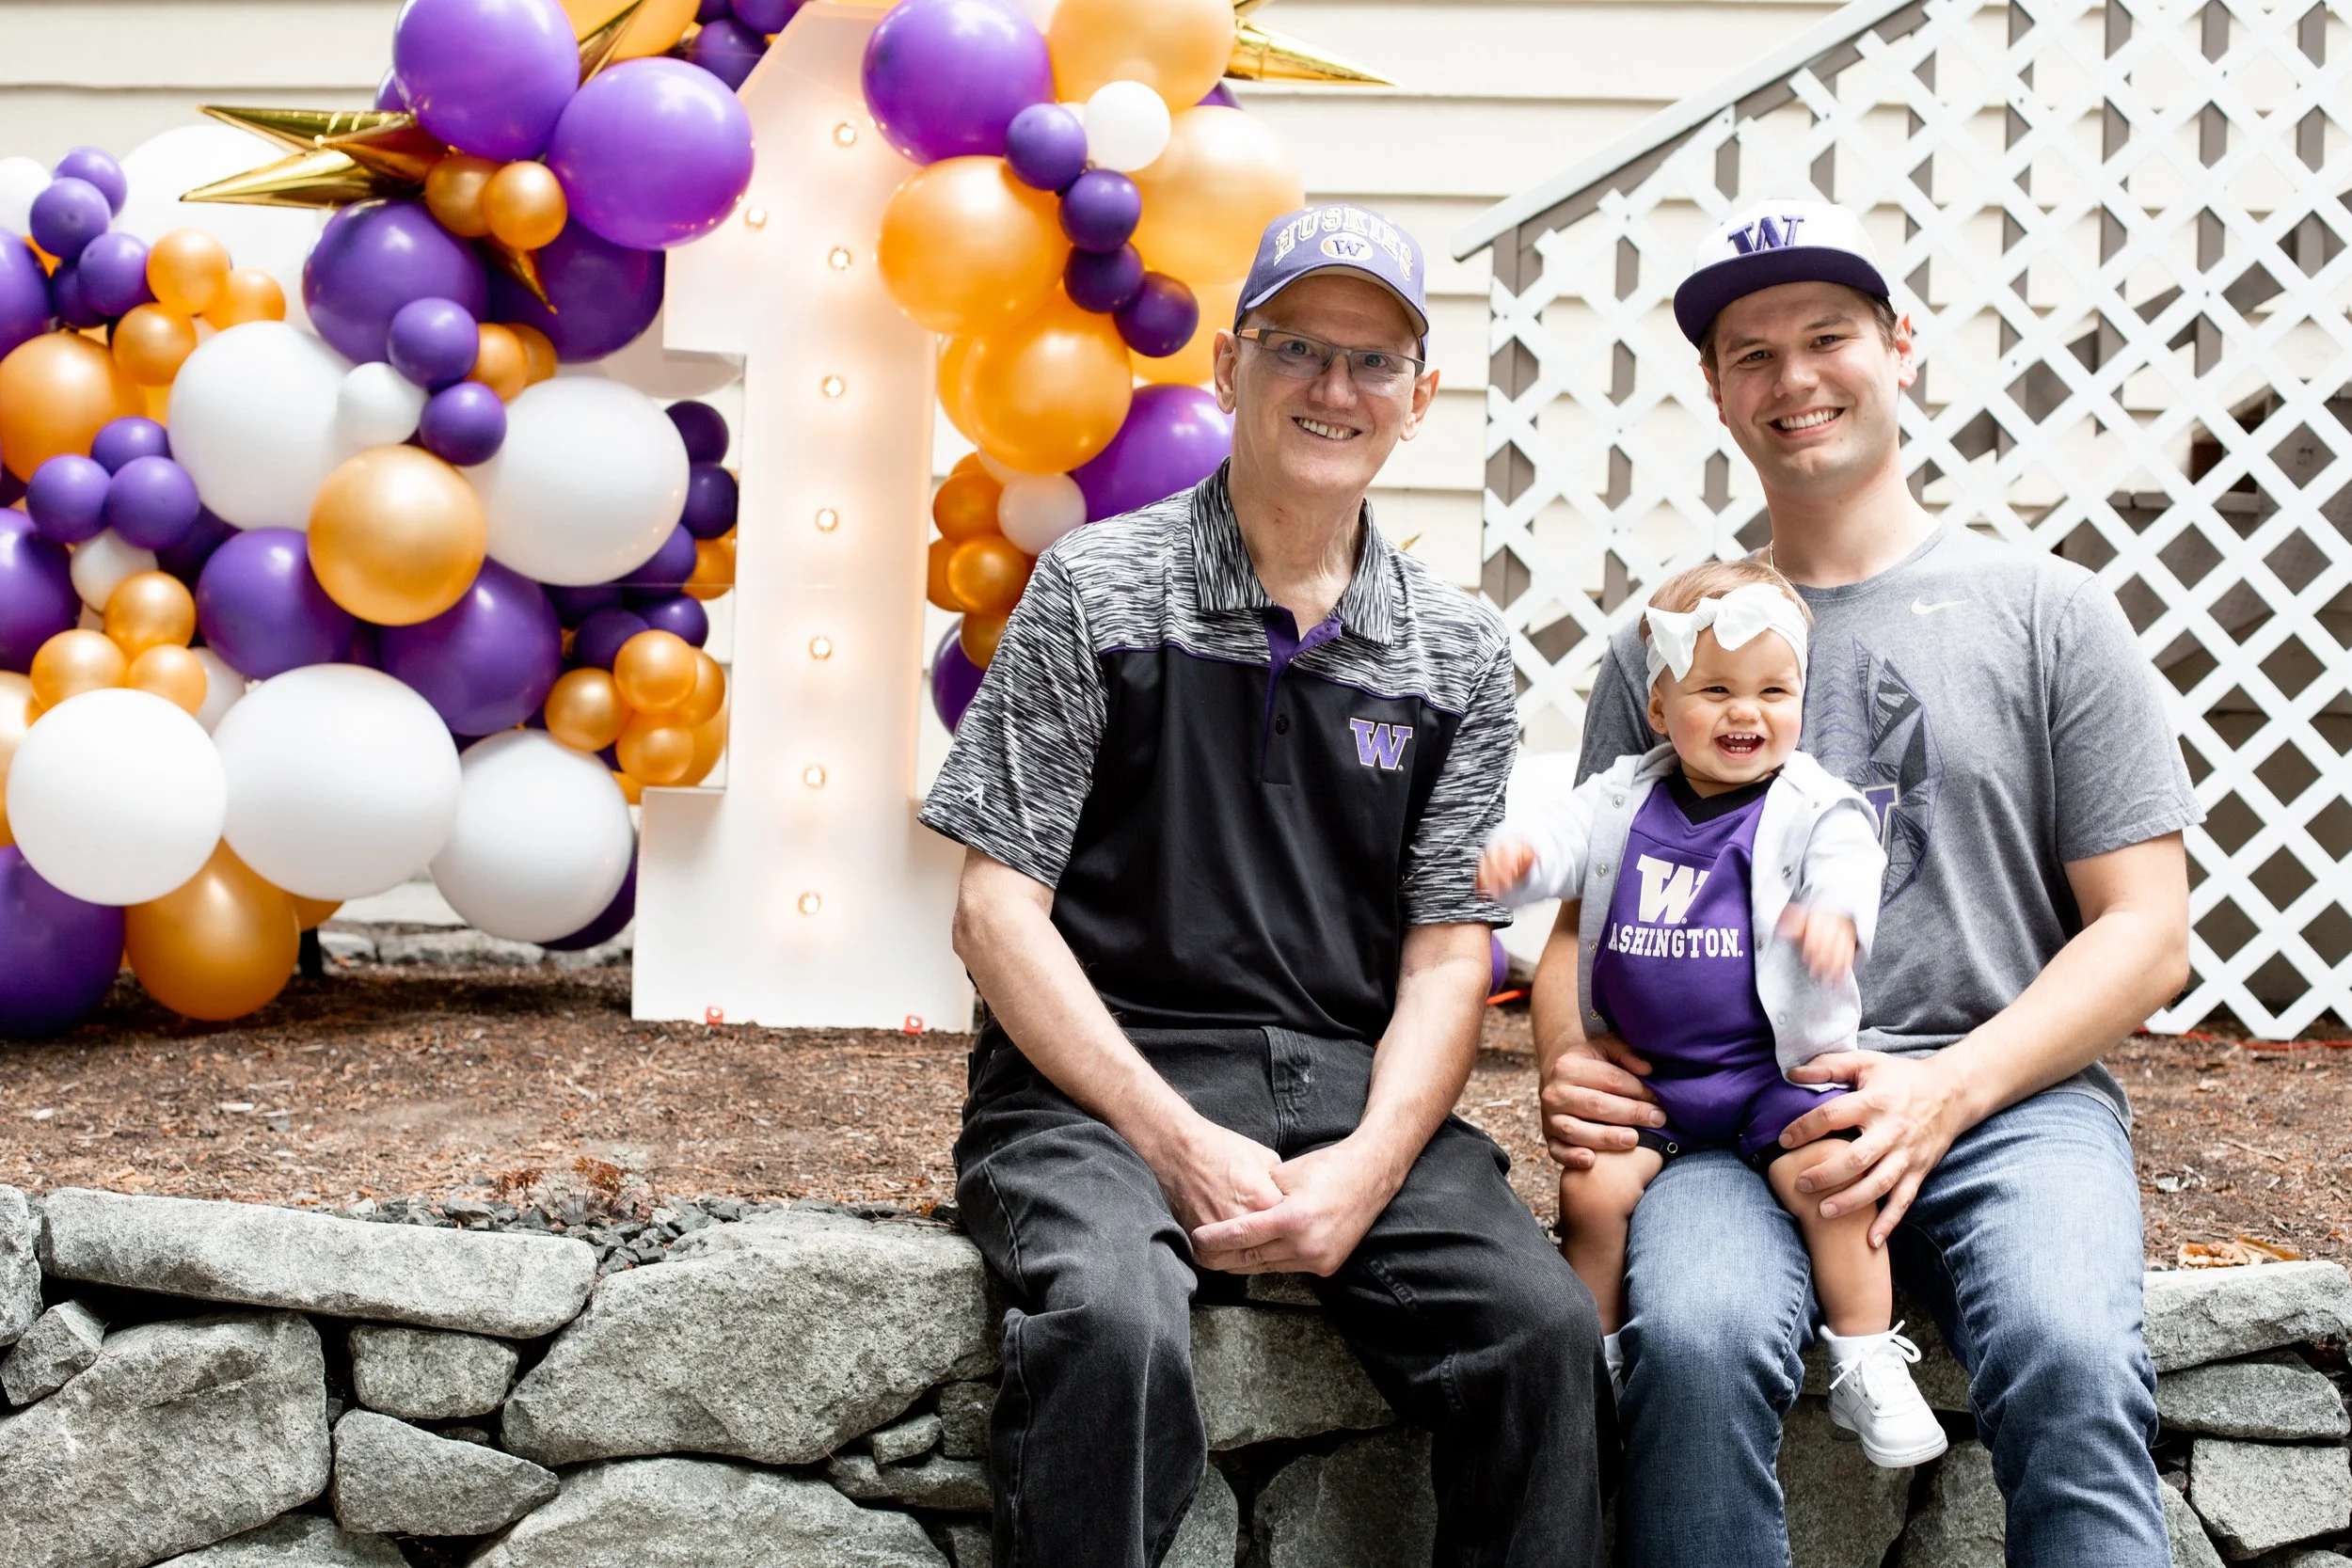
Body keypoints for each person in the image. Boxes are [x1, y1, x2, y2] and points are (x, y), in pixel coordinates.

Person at [921, 204, 1608, 1568]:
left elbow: (1443, 954)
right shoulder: (1096, 588)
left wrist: (1369, 1165)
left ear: (1418, 400)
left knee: (1540, 1336)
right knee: (1110, 1325)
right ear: (1230, 371)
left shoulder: (1456, 652)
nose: (1333, 389)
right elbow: (995, 908)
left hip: (1344, 1081)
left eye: (1371, 362)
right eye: (1298, 347)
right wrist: (1172, 1135)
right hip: (1094, 1090)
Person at [1540, 198, 2200, 1564]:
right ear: (1717, 390)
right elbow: (1574, 907)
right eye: (1750, 352)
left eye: (1828, 335)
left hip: (2011, 1097)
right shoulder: (1661, 643)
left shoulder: (2048, 610)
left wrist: (1947, 1087)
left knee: (2074, 1351)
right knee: (1703, 1340)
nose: (1794, 378)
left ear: (1901, 347)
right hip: (1726, 1115)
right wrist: (1570, 1052)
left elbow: (2147, 932)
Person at [1481, 559, 1946, 1470]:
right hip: (1651, 1080)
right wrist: (1518, 862)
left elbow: (1851, 856)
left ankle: (1862, 1354)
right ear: (1658, 706)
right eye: (1717, 689)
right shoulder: (1625, 795)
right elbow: (1563, 842)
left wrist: (1835, 917)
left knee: (1836, 1177)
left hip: (1772, 1075)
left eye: (1774, 690)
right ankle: (1595, 1357)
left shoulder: (1811, 804)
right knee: (1591, 1189)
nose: (1748, 712)